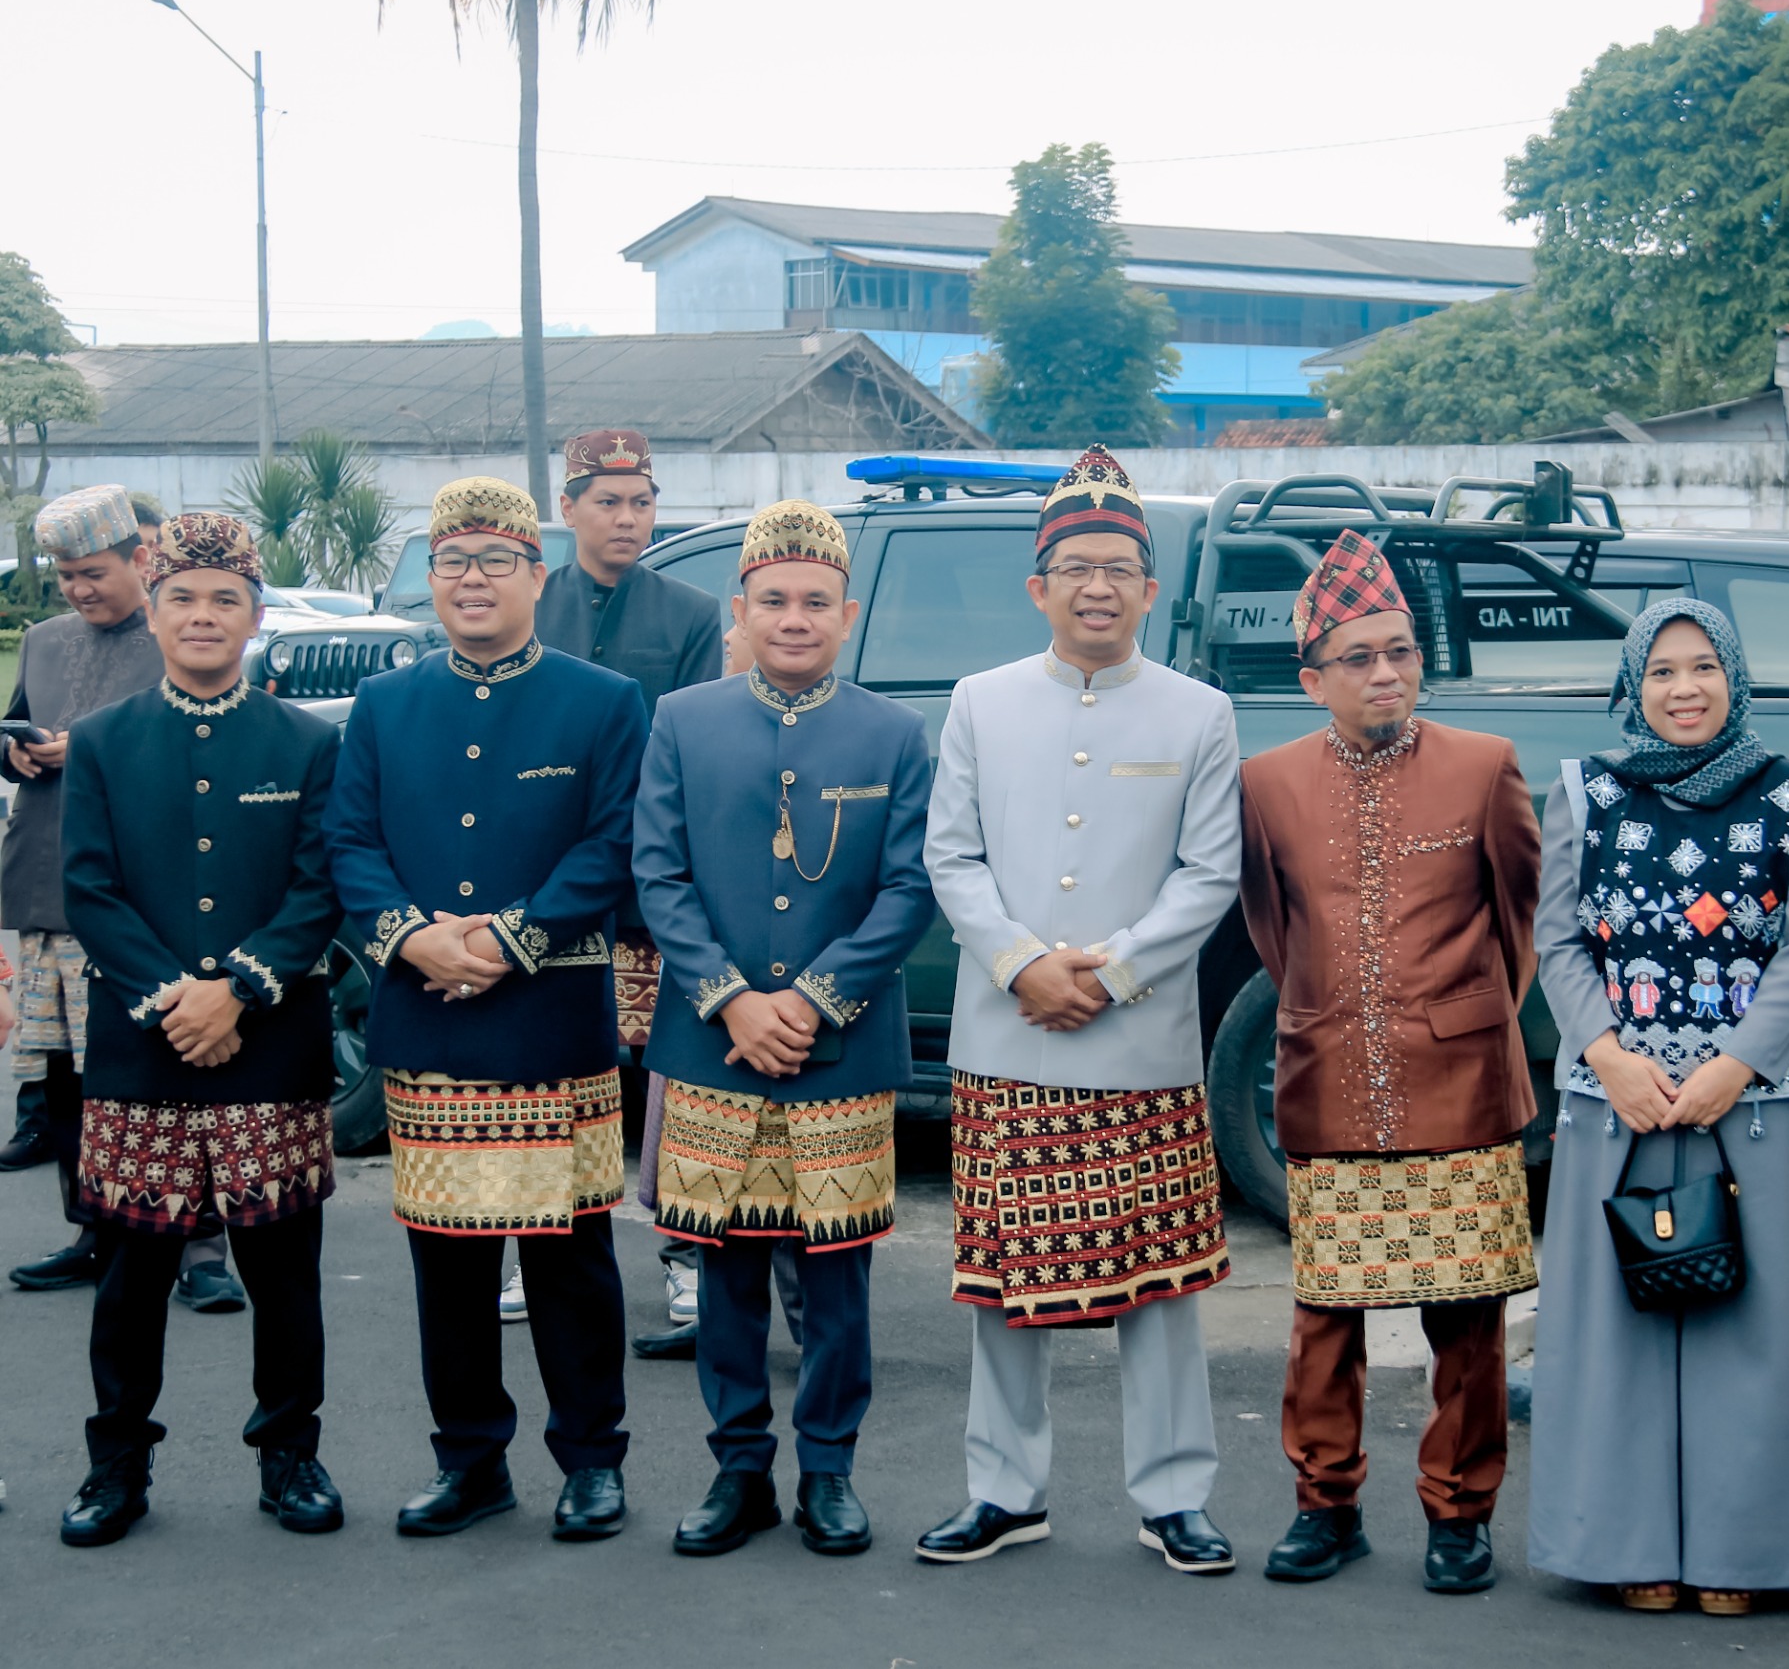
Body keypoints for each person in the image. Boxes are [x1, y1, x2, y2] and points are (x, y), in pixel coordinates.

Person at [918, 445, 1242, 1573]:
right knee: (1004, 1279)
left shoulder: (1201, 712)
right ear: (1038, 586)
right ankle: (1003, 1489)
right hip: (1007, 1028)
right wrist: (1021, 964)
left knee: (1160, 1280)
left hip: (1138, 1035)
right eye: (1074, 567)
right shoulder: (978, 701)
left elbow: (1210, 872)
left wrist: (1108, 969)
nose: (1096, 586)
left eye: (1118, 567)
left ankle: (1174, 1494)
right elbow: (949, 855)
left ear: (1150, 589)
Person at [323, 475, 647, 1541]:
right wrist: (410, 936)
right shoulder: (386, 701)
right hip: (428, 1016)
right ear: (431, 576)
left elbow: (610, 842)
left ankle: (591, 1459)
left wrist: (514, 937)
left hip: (548, 1017)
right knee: (447, 1262)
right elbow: (351, 841)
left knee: (569, 1260)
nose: (471, 580)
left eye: (495, 560)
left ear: (535, 575)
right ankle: (470, 1458)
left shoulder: (601, 700)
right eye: (451, 561)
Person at [1525, 598, 1789, 1613]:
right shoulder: (1586, 792)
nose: (1684, 688)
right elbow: (1559, 938)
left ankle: (1745, 1553)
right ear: (1634, 685)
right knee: (1612, 1333)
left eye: (1704, 667)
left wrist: (1737, 1063)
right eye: (1662, 670)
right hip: (1616, 1101)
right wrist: (1607, 1053)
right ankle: (1626, 1543)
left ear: (1737, 677)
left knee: (1756, 1331)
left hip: (1755, 1105)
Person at [1236, 530, 1541, 1597]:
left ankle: (1460, 1512)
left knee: (1468, 1316)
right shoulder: (1265, 784)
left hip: (1459, 1083)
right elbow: (1275, 931)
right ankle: (1326, 1506)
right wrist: (1335, 1012)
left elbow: (1519, 922)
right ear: (1312, 676)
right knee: (1326, 1312)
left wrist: (1460, 1023)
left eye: (1401, 651)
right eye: (1359, 656)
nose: (1385, 673)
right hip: (1327, 1074)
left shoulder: (1484, 764)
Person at [635, 500, 935, 1557]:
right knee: (722, 1265)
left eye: (815, 600)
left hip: (837, 1049)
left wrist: (811, 999)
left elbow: (907, 890)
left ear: (846, 613)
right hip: (713, 1038)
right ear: (742, 609)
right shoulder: (683, 718)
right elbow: (657, 873)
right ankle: (738, 1469)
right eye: (775, 599)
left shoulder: (894, 733)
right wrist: (731, 997)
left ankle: (831, 1471)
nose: (795, 617)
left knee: (839, 1268)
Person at [53, 513, 345, 1546]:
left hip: (271, 1044)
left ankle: (290, 1454)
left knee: (283, 1271)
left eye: (225, 597)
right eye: (183, 596)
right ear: (155, 607)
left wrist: (240, 991)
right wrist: (176, 1000)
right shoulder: (101, 741)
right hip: (142, 1051)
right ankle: (116, 1463)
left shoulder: (309, 740)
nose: (204, 614)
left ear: (256, 614)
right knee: (130, 1274)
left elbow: (320, 889)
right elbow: (89, 890)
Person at [534, 427, 726, 1340]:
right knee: (556, 1068)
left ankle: (685, 1260)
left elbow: (679, 753)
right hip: (545, 881)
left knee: (666, 1078)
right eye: (606, 501)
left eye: (640, 502)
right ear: (567, 509)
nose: (626, 519)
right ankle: (541, 1241)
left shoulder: (688, 613)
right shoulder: (533, 605)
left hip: (650, 888)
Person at [0, 487, 197, 1298]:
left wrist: (94, 750)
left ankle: (196, 1251)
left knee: (153, 1078)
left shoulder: (174, 637)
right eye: (66, 575)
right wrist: (13, 750)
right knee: (69, 1085)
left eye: (92, 572)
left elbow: (195, 751)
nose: (78, 589)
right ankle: (90, 1235)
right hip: (48, 888)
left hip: (137, 897)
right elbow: (13, 724)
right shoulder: (43, 643)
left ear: (138, 561)